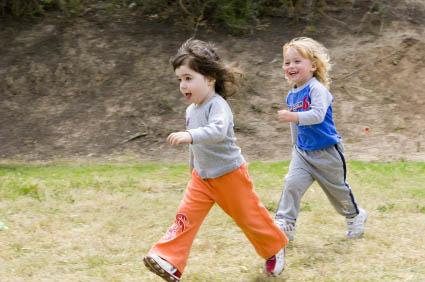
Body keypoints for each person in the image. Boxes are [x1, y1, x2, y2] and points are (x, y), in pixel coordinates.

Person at [143, 38, 288, 281]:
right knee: (184, 218)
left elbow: (216, 132)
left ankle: (274, 248)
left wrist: (189, 136)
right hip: (202, 179)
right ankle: (169, 261)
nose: (183, 85)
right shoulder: (191, 110)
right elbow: (196, 148)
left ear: (210, 78)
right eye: (180, 79)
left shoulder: (218, 105)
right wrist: (193, 170)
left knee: (249, 218)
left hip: (229, 175)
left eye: (189, 78)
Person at [274, 37, 367, 241]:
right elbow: (295, 125)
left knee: (337, 192)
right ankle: (285, 224)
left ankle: (355, 215)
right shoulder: (292, 94)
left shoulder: (318, 90)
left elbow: (317, 115)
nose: (291, 66)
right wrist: (295, 147)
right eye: (287, 62)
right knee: (291, 184)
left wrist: (294, 116)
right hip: (303, 153)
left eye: (297, 61)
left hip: (327, 153)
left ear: (313, 66)